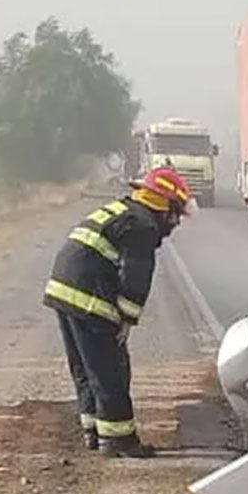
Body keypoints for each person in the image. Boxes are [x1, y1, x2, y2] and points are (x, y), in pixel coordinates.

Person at [43, 166, 193, 458]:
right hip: (89, 296)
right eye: (176, 214)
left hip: (64, 291)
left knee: (86, 369)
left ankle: (94, 432)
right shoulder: (142, 226)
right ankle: (119, 441)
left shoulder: (123, 211)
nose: (176, 222)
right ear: (165, 206)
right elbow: (136, 277)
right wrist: (126, 319)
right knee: (110, 370)